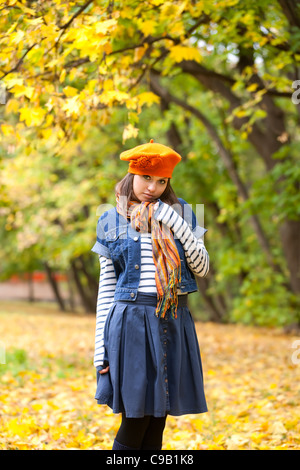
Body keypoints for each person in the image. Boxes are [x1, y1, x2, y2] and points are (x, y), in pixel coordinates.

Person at [91, 139, 209, 450]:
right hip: (130, 322)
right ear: (132, 175)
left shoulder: (181, 212)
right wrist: (99, 349)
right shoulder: (111, 219)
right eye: (146, 178)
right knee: (135, 418)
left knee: (158, 420)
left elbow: (202, 266)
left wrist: (175, 223)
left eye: (161, 181)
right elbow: (107, 286)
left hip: (172, 320)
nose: (152, 188)